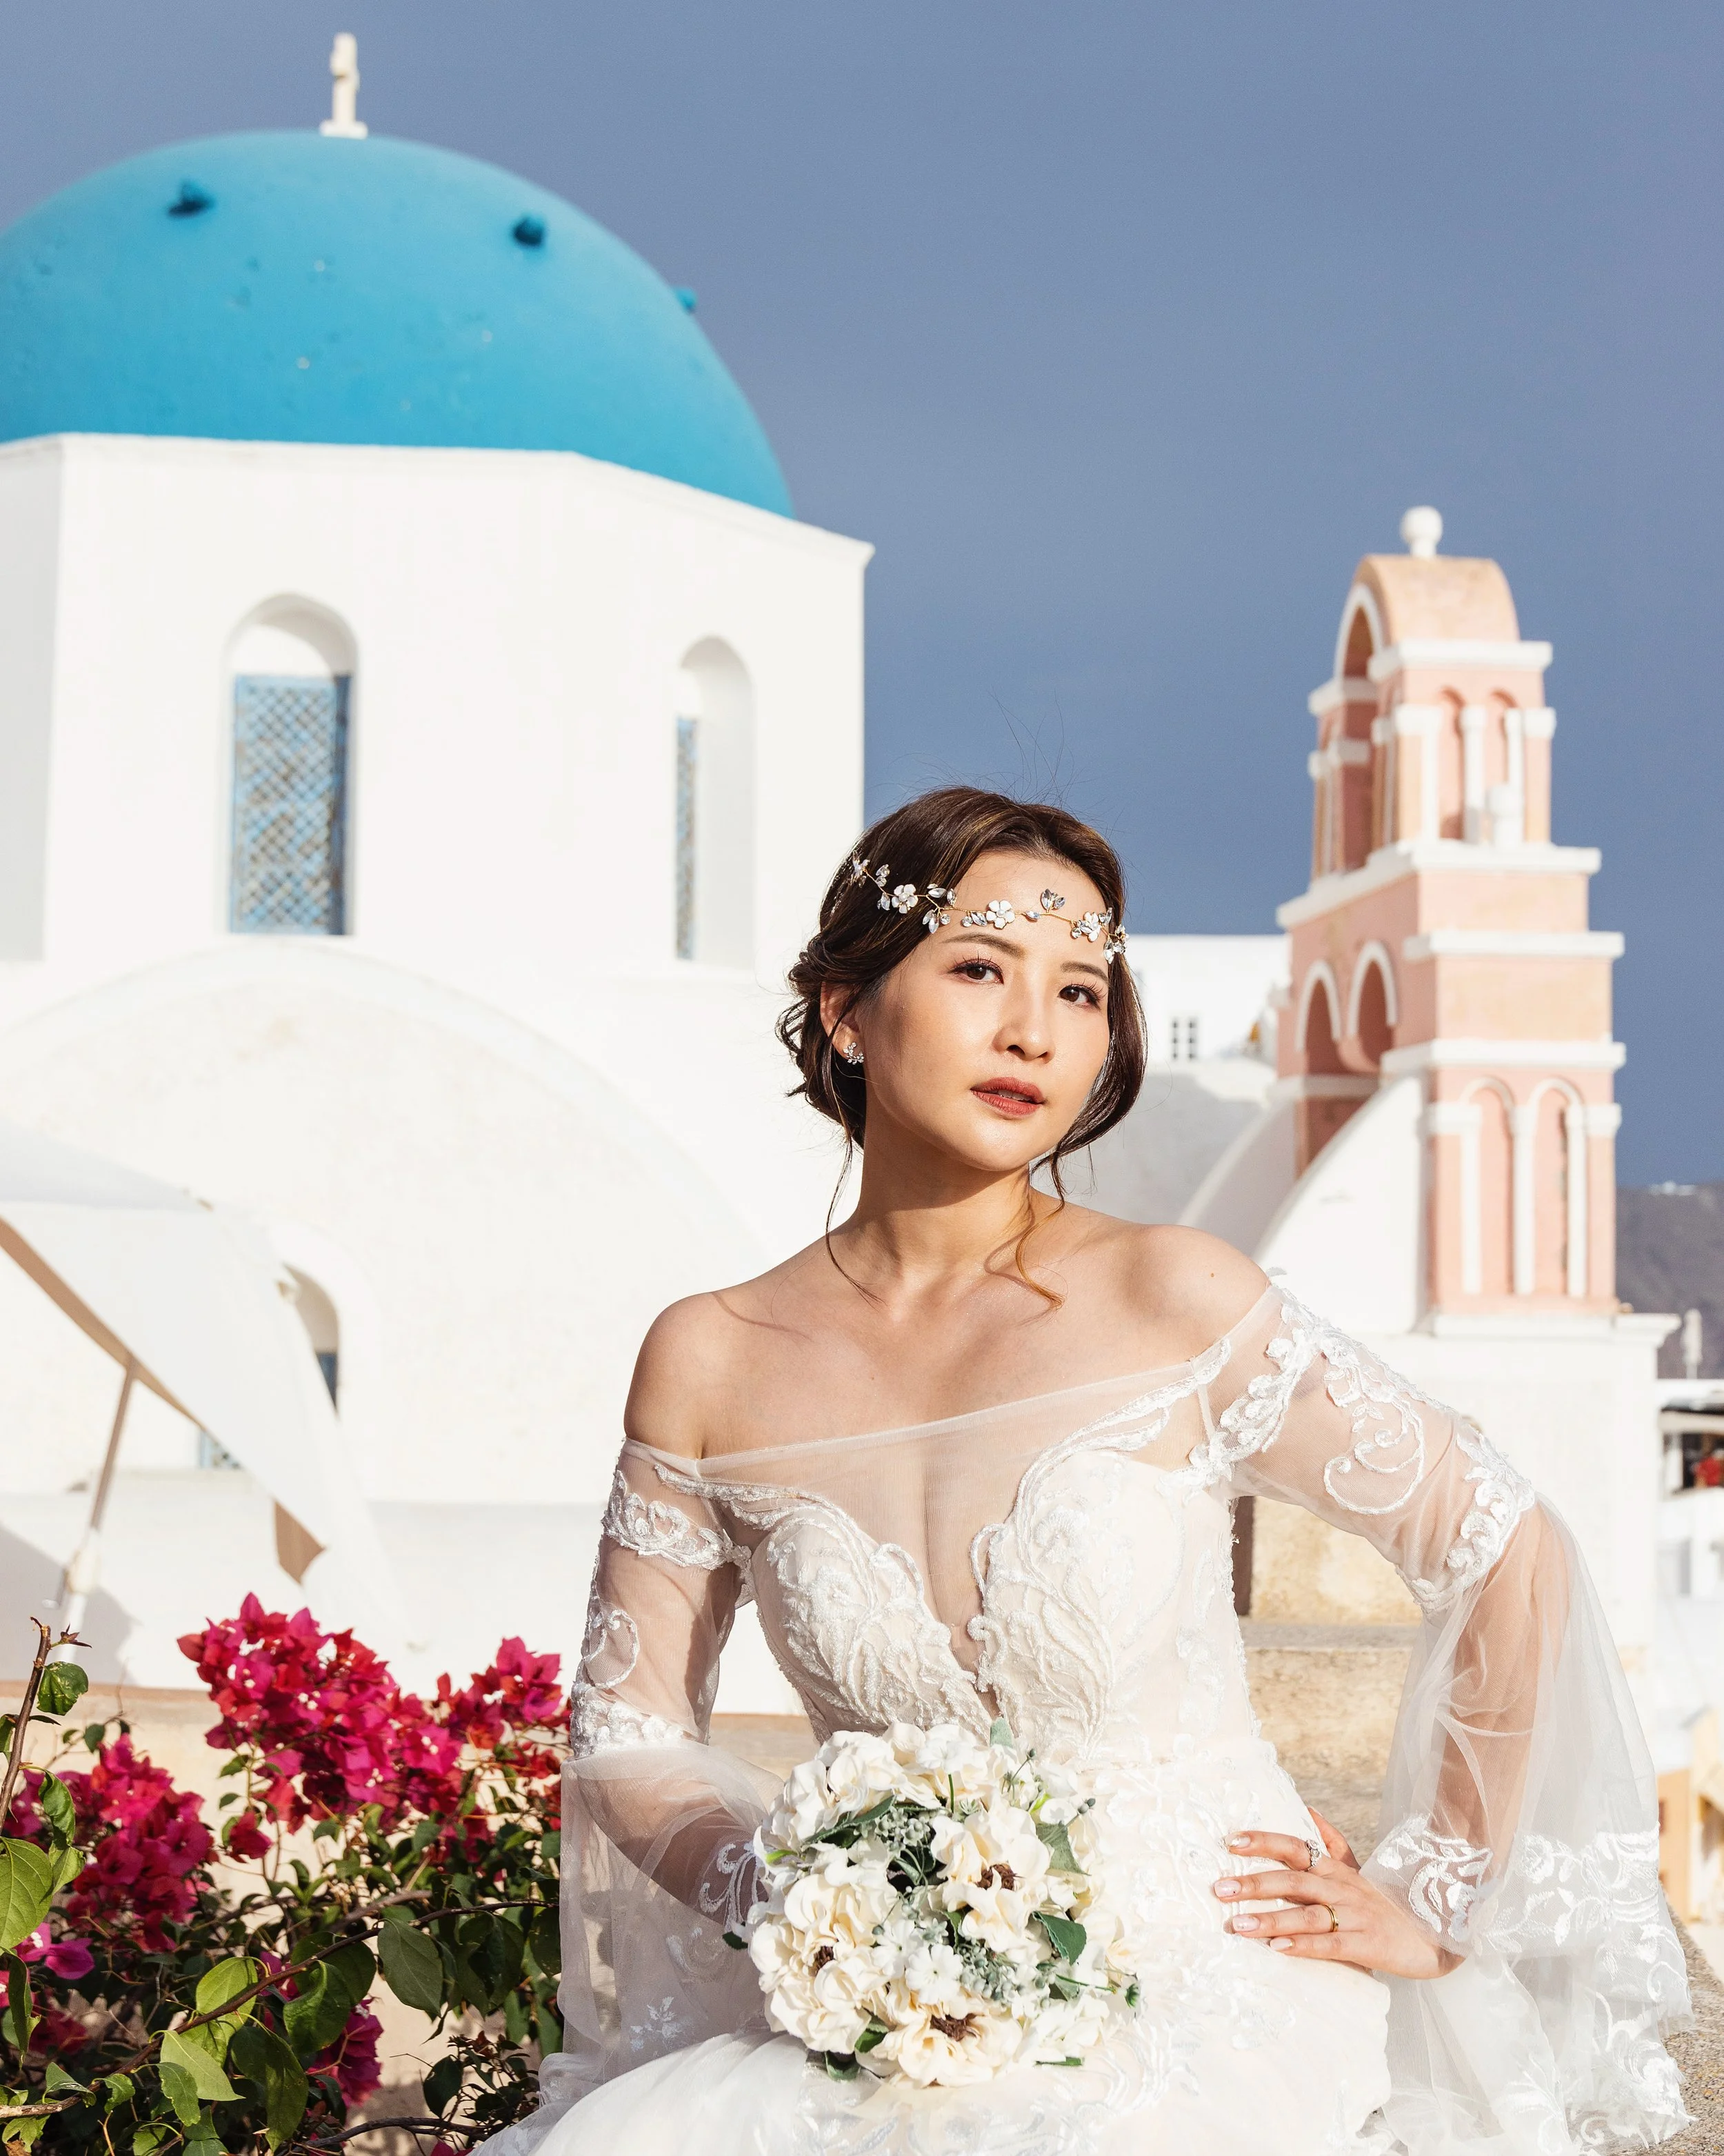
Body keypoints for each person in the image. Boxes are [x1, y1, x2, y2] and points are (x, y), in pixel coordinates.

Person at [514, 788, 1688, 2156]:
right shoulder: (709, 1356)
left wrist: (1433, 1884)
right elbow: (631, 1730)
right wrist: (805, 1887)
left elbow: (1499, 1535)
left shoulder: (1172, 1298)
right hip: (892, 2011)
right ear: (844, 1008)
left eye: (1079, 991)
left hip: (1209, 1978)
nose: (1033, 1030)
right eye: (976, 971)